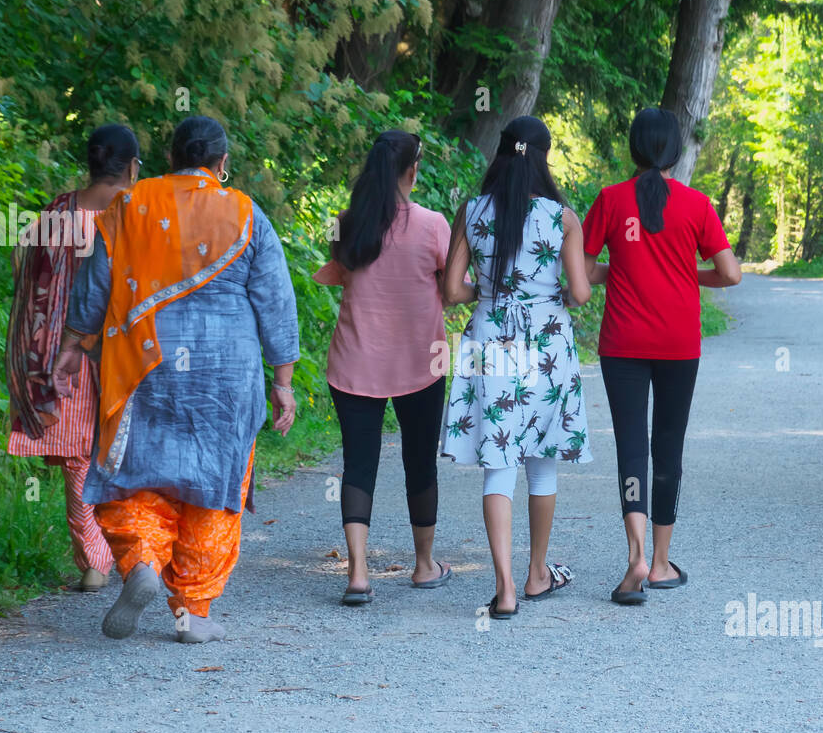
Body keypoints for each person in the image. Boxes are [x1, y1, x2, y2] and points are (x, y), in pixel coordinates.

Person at [52, 115, 299, 643]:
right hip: (225, 375)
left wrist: (73, 345)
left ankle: (140, 561)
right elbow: (276, 302)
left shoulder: (130, 206)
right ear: (222, 163)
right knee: (213, 488)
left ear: (169, 159)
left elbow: (95, 286)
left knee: (137, 475)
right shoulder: (247, 213)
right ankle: (193, 614)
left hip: (145, 366)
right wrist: (283, 381)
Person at [581, 107, 741, 605]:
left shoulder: (609, 200)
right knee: (667, 446)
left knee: (631, 445)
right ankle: (661, 563)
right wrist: (683, 273)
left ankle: (635, 554)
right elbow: (731, 273)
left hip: (622, 344)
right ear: (676, 151)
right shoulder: (697, 204)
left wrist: (623, 271)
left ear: (633, 148)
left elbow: (582, 275)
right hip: (677, 345)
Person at [441, 115, 592, 619]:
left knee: (498, 462)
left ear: (502, 152)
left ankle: (504, 588)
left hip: (491, 334)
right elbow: (580, 292)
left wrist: (488, 293)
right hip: (547, 339)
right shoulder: (561, 217)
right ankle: (537, 574)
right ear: (543, 157)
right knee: (542, 461)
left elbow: (450, 290)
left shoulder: (473, 211)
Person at [314, 131, 453, 606]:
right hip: (421, 361)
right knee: (420, 459)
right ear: (412, 171)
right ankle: (423, 566)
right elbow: (453, 287)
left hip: (356, 361)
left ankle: (357, 574)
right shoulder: (434, 225)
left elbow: (338, 275)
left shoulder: (343, 224)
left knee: (358, 462)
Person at [5, 124, 140, 593]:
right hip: (114, 355)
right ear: (132, 168)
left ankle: (96, 562)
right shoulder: (131, 214)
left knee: (79, 460)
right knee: (119, 455)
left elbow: (23, 260)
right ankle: (132, 553)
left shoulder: (59, 209)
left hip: (58, 352)